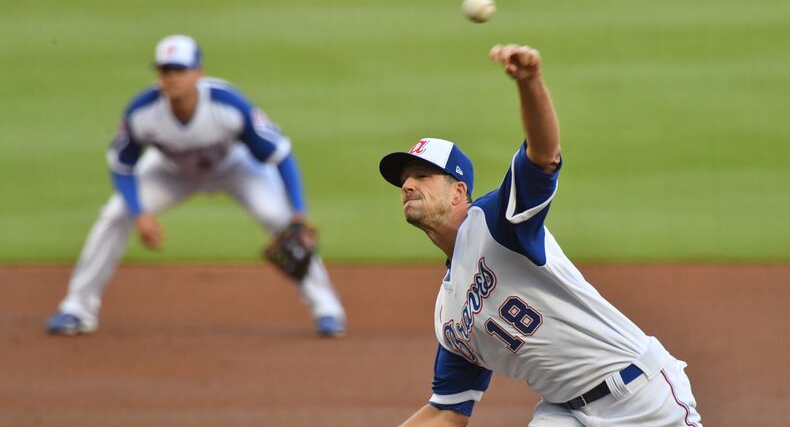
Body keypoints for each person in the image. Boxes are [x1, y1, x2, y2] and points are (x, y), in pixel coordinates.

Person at [379, 44, 702, 426]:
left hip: (639, 395)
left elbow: (543, 157)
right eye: (404, 180)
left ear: (458, 193)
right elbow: (447, 410)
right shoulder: (449, 313)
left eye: (422, 176)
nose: (408, 186)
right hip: (564, 411)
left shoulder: (497, 222)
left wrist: (530, 82)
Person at [46, 35, 346, 337]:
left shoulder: (228, 105)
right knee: (114, 215)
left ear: (198, 73)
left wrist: (298, 211)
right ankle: (77, 308)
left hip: (234, 167)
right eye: (166, 70)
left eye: (179, 69)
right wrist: (139, 215)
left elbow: (281, 154)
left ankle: (327, 309)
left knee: (280, 220)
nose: (172, 77)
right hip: (170, 172)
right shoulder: (142, 111)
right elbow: (122, 167)